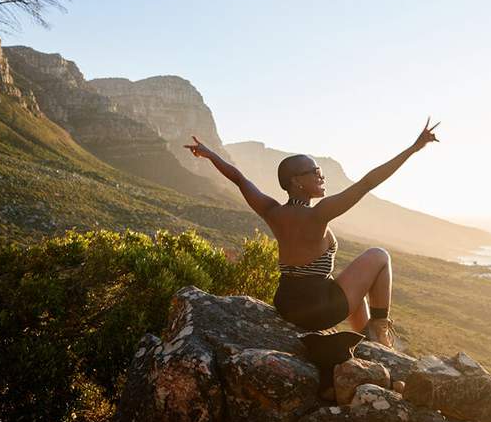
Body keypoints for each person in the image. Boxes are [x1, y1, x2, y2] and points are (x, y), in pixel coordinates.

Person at [184, 118, 440, 348]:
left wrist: (209, 155)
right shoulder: (319, 214)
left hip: (286, 304)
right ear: (297, 181)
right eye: (315, 172)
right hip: (317, 310)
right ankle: (380, 332)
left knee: (352, 284)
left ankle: (367, 339)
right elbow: (367, 182)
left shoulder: (272, 211)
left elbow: (239, 179)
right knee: (379, 256)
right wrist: (413, 148)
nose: (321, 176)